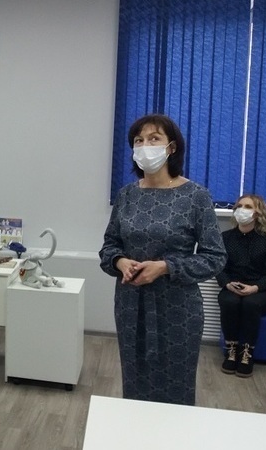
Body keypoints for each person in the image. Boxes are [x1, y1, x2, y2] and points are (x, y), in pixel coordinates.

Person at [99, 114, 226, 406]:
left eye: (154, 138)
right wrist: (119, 262)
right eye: (138, 140)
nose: (145, 146)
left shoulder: (196, 196)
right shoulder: (126, 195)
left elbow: (215, 257)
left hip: (178, 308)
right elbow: (109, 247)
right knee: (135, 384)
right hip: (131, 305)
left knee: (176, 387)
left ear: (171, 147)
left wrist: (166, 267)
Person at [216, 194, 266, 378]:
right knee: (229, 302)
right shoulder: (226, 238)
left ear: (257, 213)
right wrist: (227, 283)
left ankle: (247, 354)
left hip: (261, 290)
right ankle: (231, 350)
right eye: (239, 206)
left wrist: (255, 288)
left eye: (247, 207)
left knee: (251, 303)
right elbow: (219, 268)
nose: (241, 210)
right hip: (233, 286)